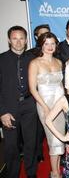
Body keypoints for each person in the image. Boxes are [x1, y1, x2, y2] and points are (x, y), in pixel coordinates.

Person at [0, 26, 38, 178]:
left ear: (26, 40)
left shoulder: (33, 60)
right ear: (9, 40)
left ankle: (31, 173)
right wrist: (2, 112)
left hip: (30, 106)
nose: (18, 42)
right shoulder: (1, 60)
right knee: (11, 146)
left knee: (31, 143)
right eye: (14, 38)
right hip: (9, 108)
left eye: (21, 38)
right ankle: (12, 174)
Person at [28, 32, 65, 178]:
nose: (50, 47)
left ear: (56, 45)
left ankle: (56, 170)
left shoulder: (59, 62)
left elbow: (61, 85)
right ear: (41, 45)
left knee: (60, 138)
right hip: (44, 104)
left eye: (52, 43)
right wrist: (44, 107)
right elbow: (32, 89)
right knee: (53, 140)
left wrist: (64, 105)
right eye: (46, 43)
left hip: (59, 105)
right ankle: (55, 173)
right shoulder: (35, 63)